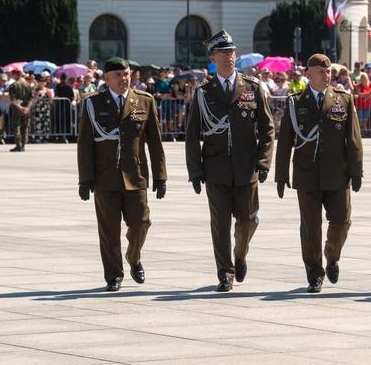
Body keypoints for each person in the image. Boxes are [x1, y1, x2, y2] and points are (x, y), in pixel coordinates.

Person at [185, 30, 275, 292]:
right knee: (220, 224)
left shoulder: (252, 87)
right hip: (216, 169)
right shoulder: (204, 92)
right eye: (223, 53)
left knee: (249, 221)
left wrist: (264, 160)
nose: (229, 57)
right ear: (213, 57)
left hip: (247, 168)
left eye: (232, 52)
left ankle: (240, 253)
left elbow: (267, 128)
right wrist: (195, 171)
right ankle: (225, 273)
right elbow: (192, 136)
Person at [275, 53, 363, 293]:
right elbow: (284, 142)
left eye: (329, 72)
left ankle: (332, 255)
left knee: (342, 221)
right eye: (321, 72)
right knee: (311, 227)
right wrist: (281, 175)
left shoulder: (343, 99)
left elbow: (353, 138)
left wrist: (356, 171)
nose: (327, 76)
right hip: (307, 175)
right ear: (308, 75)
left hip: (337, 173)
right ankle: (314, 273)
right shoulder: (296, 102)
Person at [77, 57, 167, 291]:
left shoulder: (144, 101)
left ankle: (133, 256)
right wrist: (85, 179)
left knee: (141, 221)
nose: (123, 78)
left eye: (126, 73)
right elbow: (85, 144)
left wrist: (160, 175)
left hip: (135, 175)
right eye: (117, 75)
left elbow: (155, 142)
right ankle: (114, 275)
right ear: (106, 78)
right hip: (104, 176)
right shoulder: (93, 103)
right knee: (108, 230)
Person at [7, 68, 33, 152]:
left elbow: (13, 100)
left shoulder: (13, 85)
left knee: (16, 126)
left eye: (13, 74)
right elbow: (31, 98)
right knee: (25, 127)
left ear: (16, 75)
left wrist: (20, 107)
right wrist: (27, 108)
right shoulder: (27, 85)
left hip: (17, 109)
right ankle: (23, 145)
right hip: (26, 109)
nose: (12, 76)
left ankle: (18, 145)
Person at [0, 73, 10, 144]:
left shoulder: (8, 86)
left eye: (5, 80)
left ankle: (0, 137)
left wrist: (1, 96)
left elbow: (10, 96)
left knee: (3, 125)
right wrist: (1, 96)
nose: (3, 82)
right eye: (2, 80)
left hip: (5, 109)